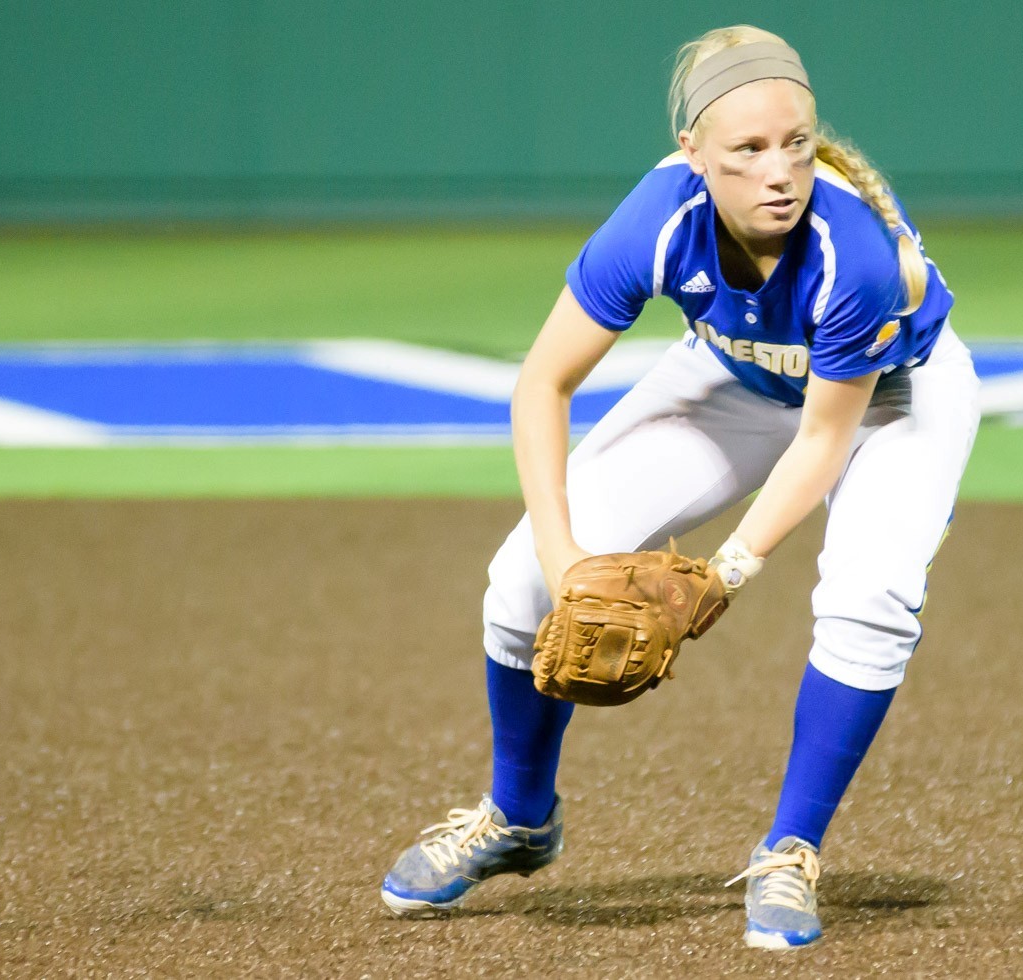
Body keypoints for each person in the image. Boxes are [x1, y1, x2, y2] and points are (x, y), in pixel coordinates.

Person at [377, 25, 978, 950]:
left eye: (796, 141)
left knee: (870, 599)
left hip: (891, 396)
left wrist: (727, 571)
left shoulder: (854, 250)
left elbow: (825, 437)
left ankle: (790, 850)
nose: (781, 170)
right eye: (747, 149)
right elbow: (542, 384)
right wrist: (564, 557)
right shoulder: (658, 219)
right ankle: (518, 815)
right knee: (522, 584)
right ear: (693, 153)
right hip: (735, 377)